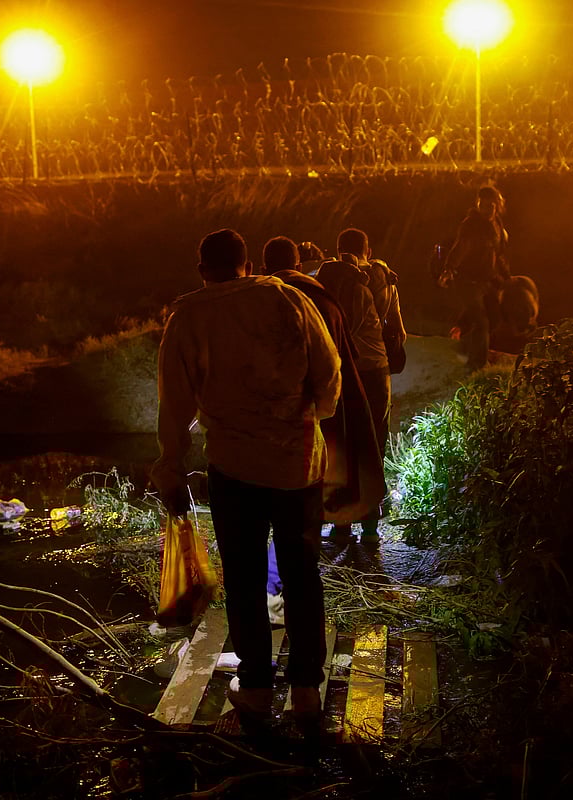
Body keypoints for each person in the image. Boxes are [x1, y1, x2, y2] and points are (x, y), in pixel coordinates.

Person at [150, 228, 341, 738]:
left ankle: (255, 687)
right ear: (248, 263)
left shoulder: (189, 318)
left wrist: (171, 462)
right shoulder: (290, 300)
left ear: (202, 270)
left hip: (235, 467)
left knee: (245, 578)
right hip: (298, 464)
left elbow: (175, 404)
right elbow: (329, 375)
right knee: (302, 578)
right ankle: (305, 691)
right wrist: (307, 418)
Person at [262, 235, 385, 525]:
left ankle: (314, 527)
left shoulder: (270, 296)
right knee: (349, 450)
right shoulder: (321, 294)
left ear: (264, 267)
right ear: (298, 263)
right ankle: (357, 523)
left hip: (293, 398)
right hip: (338, 387)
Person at [318, 227, 404, 540]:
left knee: (343, 444)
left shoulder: (328, 279)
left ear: (339, 249)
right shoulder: (385, 279)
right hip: (376, 371)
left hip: (344, 370)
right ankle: (370, 527)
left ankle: (341, 525)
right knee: (374, 445)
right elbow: (398, 333)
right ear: (367, 249)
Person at [437, 185, 510, 371]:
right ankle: (476, 365)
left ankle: (461, 332)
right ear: (478, 204)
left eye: (490, 206)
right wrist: (449, 269)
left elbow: (498, 253)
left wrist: (506, 276)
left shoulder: (497, 224)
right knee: (481, 321)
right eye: (483, 205)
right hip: (468, 281)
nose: (486, 209)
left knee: (494, 318)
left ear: (497, 206)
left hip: (488, 280)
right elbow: (460, 247)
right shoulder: (471, 224)